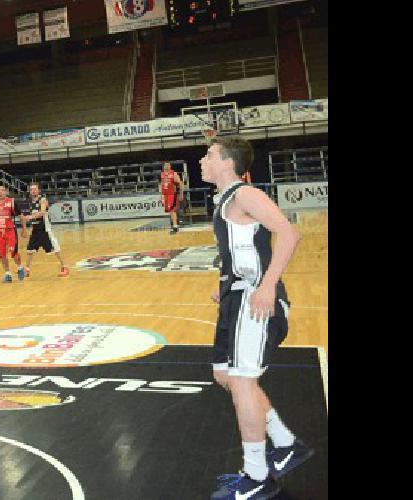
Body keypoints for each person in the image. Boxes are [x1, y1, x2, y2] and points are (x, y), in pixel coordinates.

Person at [201, 136, 314, 500]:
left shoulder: (244, 194)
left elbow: (288, 233)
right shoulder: (224, 201)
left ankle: (257, 476)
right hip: (237, 298)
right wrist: (226, 281)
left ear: (227, 163)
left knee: (243, 382)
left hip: (256, 300)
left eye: (209, 154)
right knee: (225, 376)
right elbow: (245, 248)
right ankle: (284, 444)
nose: (202, 159)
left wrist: (267, 286)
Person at [21, 182, 69, 278]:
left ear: (38, 190)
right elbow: (34, 217)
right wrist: (28, 228)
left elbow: (42, 212)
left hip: (45, 229)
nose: (33, 191)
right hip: (35, 229)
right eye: (31, 189)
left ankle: (65, 267)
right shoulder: (31, 201)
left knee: (55, 248)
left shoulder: (42, 199)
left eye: (35, 189)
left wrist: (29, 217)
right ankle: (26, 270)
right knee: (30, 250)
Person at [160, 162, 184, 234]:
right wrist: (161, 196)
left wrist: (181, 194)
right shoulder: (162, 174)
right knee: (171, 212)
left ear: (170, 166)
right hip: (166, 195)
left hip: (172, 195)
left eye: (167, 165)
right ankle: (174, 225)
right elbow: (162, 185)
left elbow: (180, 183)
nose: (166, 166)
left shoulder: (174, 173)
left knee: (173, 211)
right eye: (165, 165)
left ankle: (175, 227)